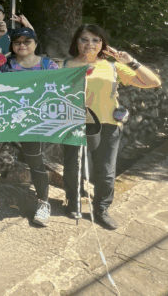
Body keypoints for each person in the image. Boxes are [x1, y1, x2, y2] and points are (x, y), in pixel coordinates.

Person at [62, 24, 161, 230]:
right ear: (76, 42)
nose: (90, 44)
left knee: (105, 170)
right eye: (84, 39)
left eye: (96, 40)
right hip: (73, 122)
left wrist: (130, 61)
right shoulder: (64, 65)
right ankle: (73, 202)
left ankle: (101, 209)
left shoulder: (112, 67)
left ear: (103, 44)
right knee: (72, 166)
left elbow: (154, 82)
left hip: (107, 123)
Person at [0, 27, 58, 227]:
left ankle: (43, 203)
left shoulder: (47, 65)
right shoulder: (6, 64)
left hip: (33, 119)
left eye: (27, 42)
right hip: (6, 115)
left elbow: (61, 86)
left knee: (35, 160)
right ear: (12, 45)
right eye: (17, 42)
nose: (22, 45)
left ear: (35, 44)